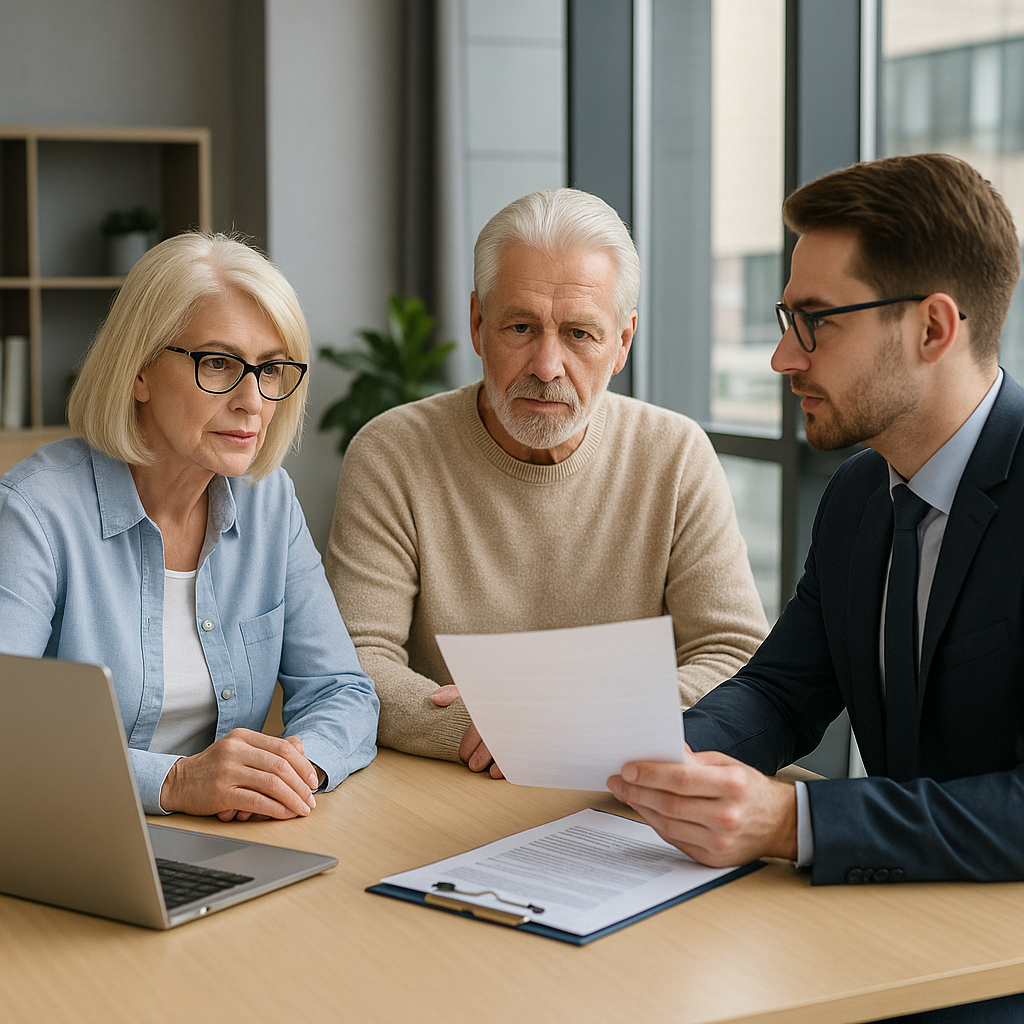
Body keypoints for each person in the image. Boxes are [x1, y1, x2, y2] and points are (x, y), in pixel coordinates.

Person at [608, 154, 1024, 1022]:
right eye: (785, 318)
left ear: (933, 329)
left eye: (816, 322)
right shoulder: (859, 499)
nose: (780, 356)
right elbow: (783, 689)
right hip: (896, 926)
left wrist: (793, 822)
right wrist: (655, 754)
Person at [326, 188, 768, 775]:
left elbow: (733, 655)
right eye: (520, 327)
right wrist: (482, 727)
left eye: (580, 333)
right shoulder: (392, 453)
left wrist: (564, 723)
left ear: (622, 343)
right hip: (453, 786)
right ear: (479, 325)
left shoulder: (676, 454)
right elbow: (356, 661)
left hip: (624, 792)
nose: (546, 366)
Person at [0, 232, 379, 820]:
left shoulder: (268, 502)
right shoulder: (34, 513)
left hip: (230, 838)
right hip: (72, 835)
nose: (253, 400)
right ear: (139, 372)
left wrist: (290, 769)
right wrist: (174, 784)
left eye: (272, 369)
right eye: (220, 363)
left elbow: (341, 690)